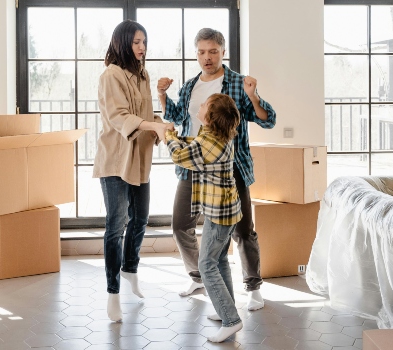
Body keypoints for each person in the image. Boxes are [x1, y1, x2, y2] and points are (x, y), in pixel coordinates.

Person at [158, 28, 277, 311]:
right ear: (196, 54)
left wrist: (254, 97)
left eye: (212, 51)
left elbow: (268, 120)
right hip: (195, 167)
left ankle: (253, 286)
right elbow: (175, 116)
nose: (207, 57)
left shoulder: (238, 84)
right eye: (201, 52)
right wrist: (162, 94)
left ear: (223, 52)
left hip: (230, 169)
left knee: (243, 230)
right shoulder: (190, 86)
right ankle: (199, 275)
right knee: (180, 225)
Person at [94, 19, 172, 322]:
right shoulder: (110, 75)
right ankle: (112, 292)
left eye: (144, 42)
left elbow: (142, 114)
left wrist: (161, 123)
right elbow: (118, 116)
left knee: (140, 219)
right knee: (116, 225)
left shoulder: (142, 75)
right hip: (115, 160)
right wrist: (152, 125)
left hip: (139, 159)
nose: (142, 47)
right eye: (137, 42)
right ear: (122, 42)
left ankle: (130, 270)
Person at [166, 93, 243, 343]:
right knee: (219, 260)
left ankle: (231, 320)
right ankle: (226, 311)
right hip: (225, 210)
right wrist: (177, 136)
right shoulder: (215, 135)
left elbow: (181, 156)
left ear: (209, 118)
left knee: (206, 265)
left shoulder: (210, 143)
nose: (199, 107)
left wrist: (167, 137)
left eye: (203, 106)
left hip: (220, 214)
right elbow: (194, 142)